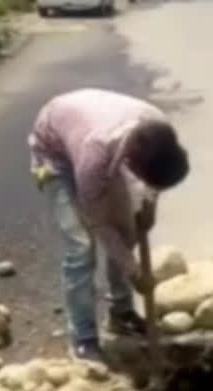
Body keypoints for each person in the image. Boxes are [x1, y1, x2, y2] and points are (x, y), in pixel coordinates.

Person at [28, 88, 189, 363]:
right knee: (81, 246)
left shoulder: (158, 130)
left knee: (127, 230)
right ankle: (84, 337)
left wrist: (148, 206)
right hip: (55, 153)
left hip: (95, 130)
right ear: (132, 163)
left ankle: (121, 313)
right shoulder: (96, 154)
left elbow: (153, 181)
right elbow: (99, 222)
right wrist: (135, 271)